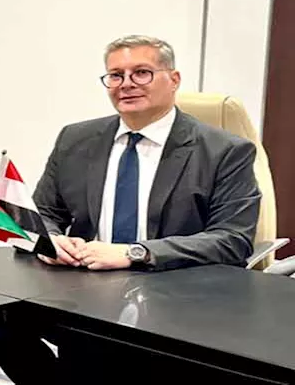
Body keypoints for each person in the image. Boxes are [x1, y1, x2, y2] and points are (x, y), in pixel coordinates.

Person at [33, 34, 260, 271]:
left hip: (176, 283)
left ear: (174, 80)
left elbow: (233, 239)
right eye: (116, 75)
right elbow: (41, 215)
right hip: (83, 280)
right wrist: (50, 241)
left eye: (141, 73)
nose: (126, 84)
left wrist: (136, 253)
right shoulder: (75, 139)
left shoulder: (225, 151)